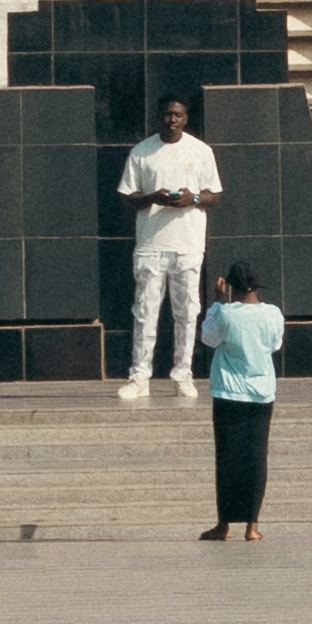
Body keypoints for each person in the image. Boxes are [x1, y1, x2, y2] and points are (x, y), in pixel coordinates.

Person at [118, 93, 222, 399]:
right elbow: (127, 196)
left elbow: (214, 195)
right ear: (159, 116)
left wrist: (190, 198)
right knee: (145, 312)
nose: (172, 120)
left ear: (186, 118)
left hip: (188, 243)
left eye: (177, 115)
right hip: (151, 244)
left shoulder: (201, 151)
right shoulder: (142, 152)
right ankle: (139, 377)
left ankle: (183, 374)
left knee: (187, 312)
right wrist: (153, 197)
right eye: (167, 114)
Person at [198, 264, 283, 541]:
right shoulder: (272, 314)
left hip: (229, 393)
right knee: (257, 457)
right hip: (261, 393)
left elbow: (209, 338)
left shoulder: (225, 313)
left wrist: (216, 302)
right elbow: (274, 345)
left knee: (227, 459)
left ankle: (224, 525)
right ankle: (253, 526)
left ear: (231, 287)